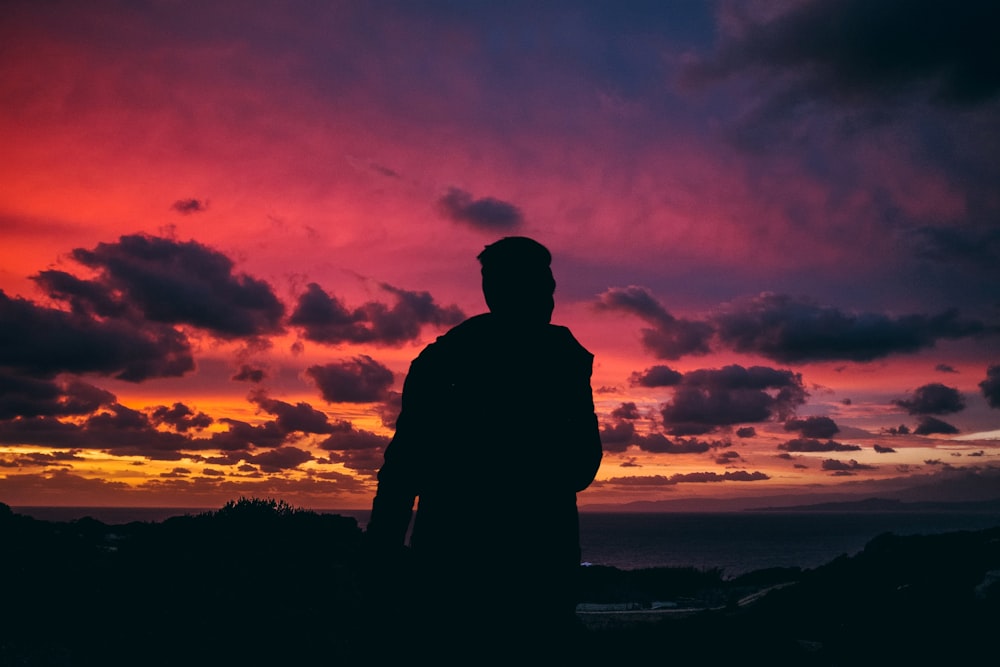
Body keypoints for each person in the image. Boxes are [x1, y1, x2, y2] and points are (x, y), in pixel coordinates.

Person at [365, 236, 603, 660]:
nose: (549, 300)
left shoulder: (443, 360)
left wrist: (381, 566)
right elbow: (582, 465)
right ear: (500, 292)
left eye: (550, 289)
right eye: (539, 288)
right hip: (501, 570)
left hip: (483, 569)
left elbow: (402, 473)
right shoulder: (558, 361)